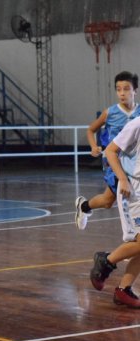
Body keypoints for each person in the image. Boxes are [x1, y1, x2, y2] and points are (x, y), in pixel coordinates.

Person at [75, 71, 140, 230]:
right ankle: (132, 237)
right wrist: (93, 146)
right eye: (118, 89)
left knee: (107, 201)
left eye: (126, 89)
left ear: (135, 91)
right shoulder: (110, 112)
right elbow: (91, 130)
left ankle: (84, 206)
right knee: (120, 198)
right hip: (114, 161)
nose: (122, 93)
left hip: (134, 161)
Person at [91, 115, 140, 307]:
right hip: (133, 191)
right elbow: (110, 151)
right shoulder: (136, 124)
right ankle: (106, 261)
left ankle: (123, 289)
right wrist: (123, 179)